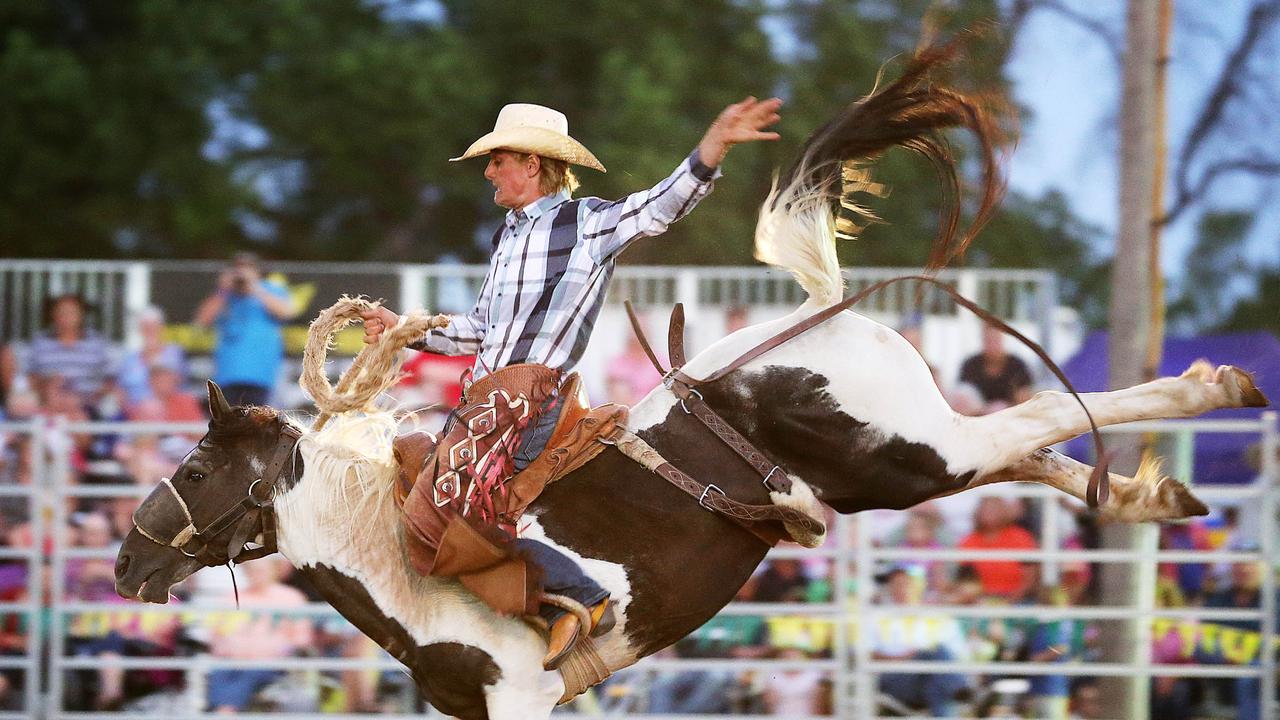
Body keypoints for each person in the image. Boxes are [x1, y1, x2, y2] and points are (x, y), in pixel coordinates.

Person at [361, 98, 782, 669]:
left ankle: (574, 598)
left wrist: (714, 147)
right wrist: (403, 331)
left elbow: (660, 206)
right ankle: (539, 612)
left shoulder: (586, 222)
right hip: (489, 397)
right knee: (419, 492)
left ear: (532, 165)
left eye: (497, 159)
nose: (488, 171)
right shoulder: (505, 236)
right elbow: (480, 329)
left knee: (436, 513)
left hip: (529, 396)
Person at [194, 253, 298, 406]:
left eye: (247, 269)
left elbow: (286, 312)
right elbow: (201, 321)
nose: (241, 274)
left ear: (257, 272)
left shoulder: (270, 290)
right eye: (237, 269)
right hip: (227, 375)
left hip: (261, 376)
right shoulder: (223, 295)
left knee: (257, 424)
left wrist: (255, 288)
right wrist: (223, 291)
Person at [957, 496, 1039, 601]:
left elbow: (1030, 577)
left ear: (1004, 511)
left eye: (993, 508)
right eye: (985, 509)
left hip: (1018, 600)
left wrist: (1009, 602)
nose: (989, 512)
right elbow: (965, 580)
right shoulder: (969, 540)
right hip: (979, 600)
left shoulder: (1021, 537)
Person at [116, 306, 187, 406]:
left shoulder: (173, 354)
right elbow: (120, 391)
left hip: (167, 412)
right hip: (134, 414)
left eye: (154, 326)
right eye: (145, 327)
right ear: (140, 330)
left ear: (161, 328)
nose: (150, 331)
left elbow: (175, 385)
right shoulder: (129, 359)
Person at [956, 322, 1033, 414]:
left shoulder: (1017, 365)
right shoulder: (971, 364)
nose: (992, 345)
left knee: (999, 408)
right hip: (977, 414)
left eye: (995, 340)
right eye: (988, 340)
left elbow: (1025, 395)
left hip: (1007, 413)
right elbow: (964, 392)